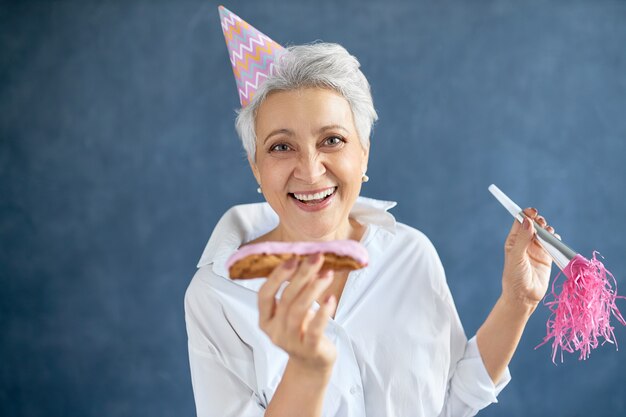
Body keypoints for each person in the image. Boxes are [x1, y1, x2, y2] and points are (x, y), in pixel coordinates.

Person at [185, 6, 557, 417]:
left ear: (364, 155)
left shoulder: (410, 253)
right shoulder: (217, 295)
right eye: (281, 146)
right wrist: (307, 371)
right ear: (256, 166)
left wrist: (518, 300)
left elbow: (451, 402)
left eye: (332, 140)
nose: (310, 170)